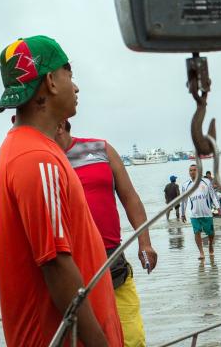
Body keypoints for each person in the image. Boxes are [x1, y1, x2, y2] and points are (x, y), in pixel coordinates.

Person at [0, 36, 123, 346]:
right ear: (51, 81)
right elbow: (56, 263)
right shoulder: (38, 159)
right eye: (69, 74)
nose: (75, 87)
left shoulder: (18, 150)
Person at [55, 120, 158, 347]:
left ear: (61, 123)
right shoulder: (43, 159)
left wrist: (145, 243)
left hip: (112, 261)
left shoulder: (100, 149)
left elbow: (130, 197)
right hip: (70, 264)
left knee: (133, 338)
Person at [181, 163, 221, 259]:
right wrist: (182, 214)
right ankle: (201, 252)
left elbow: (213, 195)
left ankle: (211, 246)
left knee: (211, 233)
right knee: (197, 232)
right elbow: (184, 200)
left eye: (194, 170)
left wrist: (218, 207)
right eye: (190, 170)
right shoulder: (186, 185)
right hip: (194, 214)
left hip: (207, 213)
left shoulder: (206, 182)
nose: (192, 172)